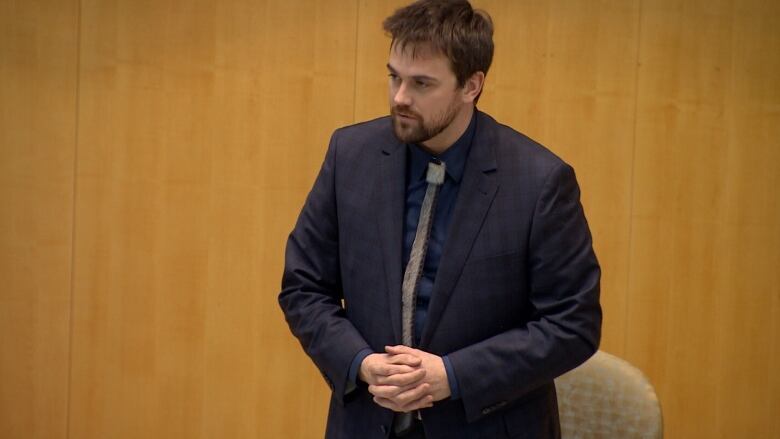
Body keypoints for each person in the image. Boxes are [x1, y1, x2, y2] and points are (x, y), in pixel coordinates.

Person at [278, 1, 601, 437]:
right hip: (366, 422)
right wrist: (361, 363)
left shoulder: (539, 183)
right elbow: (303, 286)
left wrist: (453, 376)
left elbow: (572, 325)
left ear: (471, 85)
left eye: (421, 83)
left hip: (485, 425)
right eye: (394, 76)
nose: (400, 97)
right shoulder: (350, 156)